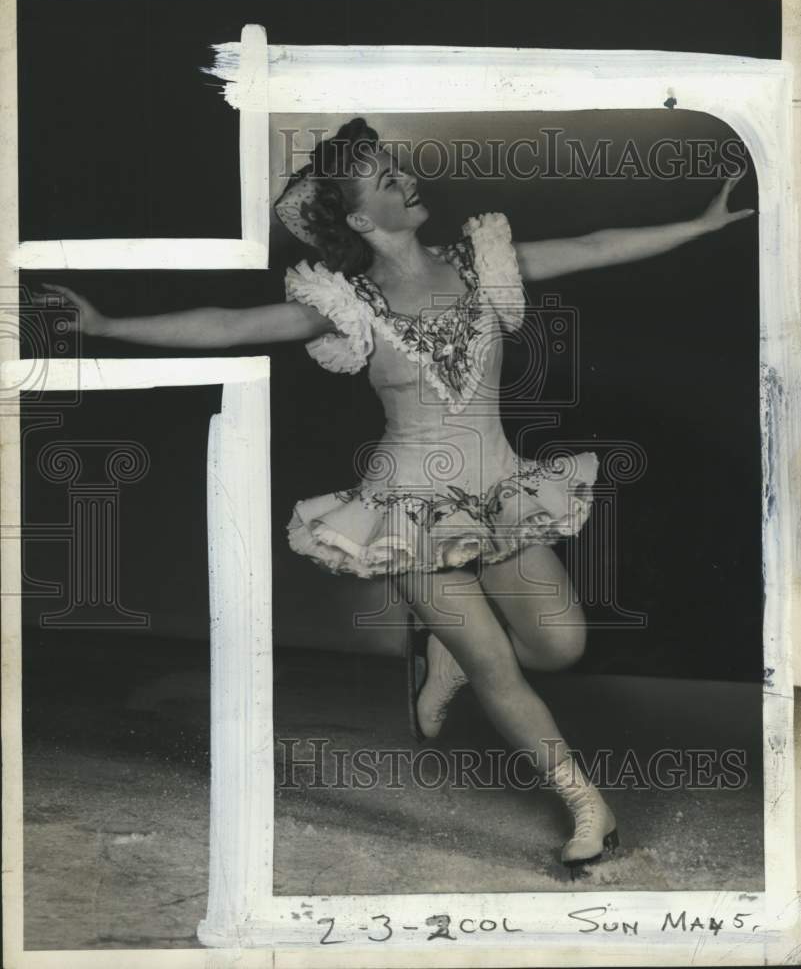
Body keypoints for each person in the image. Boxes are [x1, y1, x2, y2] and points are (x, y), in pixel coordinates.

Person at [38, 117, 754, 872]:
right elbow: (231, 321)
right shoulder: (345, 304)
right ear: (356, 218)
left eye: (398, 171)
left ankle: (438, 657)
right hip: (406, 508)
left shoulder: (481, 265)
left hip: (497, 491)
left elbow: (595, 246)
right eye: (387, 180)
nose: (409, 183)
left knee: (558, 645)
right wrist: (109, 322)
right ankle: (586, 807)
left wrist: (699, 224)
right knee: (496, 668)